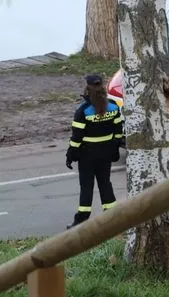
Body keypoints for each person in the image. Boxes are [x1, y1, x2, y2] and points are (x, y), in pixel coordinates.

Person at [65, 74, 123, 229]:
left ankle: (82, 220)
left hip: (87, 156)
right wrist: (115, 148)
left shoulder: (83, 110)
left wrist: (70, 155)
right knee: (105, 184)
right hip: (106, 154)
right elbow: (118, 131)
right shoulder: (113, 106)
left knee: (86, 187)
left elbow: (77, 137)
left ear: (87, 89)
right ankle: (112, 217)